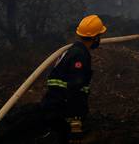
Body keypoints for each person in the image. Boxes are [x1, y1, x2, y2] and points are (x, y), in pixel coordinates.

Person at [40, 14, 107, 144]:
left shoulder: (73, 51)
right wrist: (75, 119)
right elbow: (75, 87)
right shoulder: (80, 55)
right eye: (99, 36)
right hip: (62, 111)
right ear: (95, 37)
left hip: (55, 106)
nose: (100, 39)